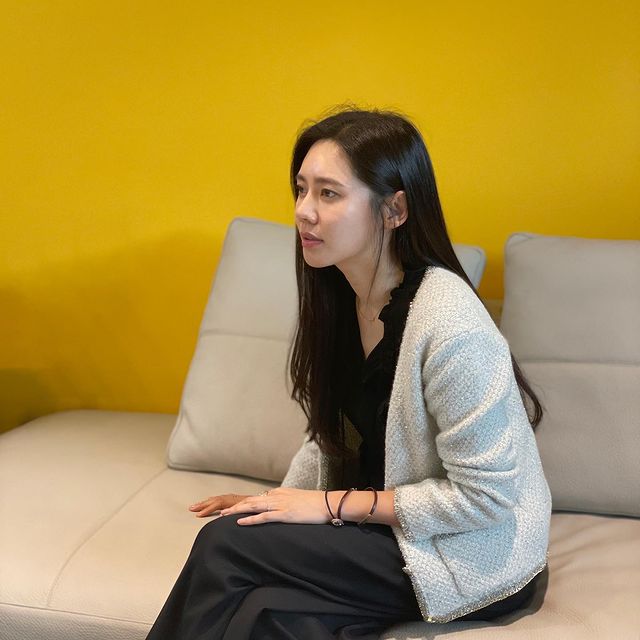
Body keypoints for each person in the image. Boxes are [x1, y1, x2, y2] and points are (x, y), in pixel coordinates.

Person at [145, 108, 552, 639]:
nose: (303, 211)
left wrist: (326, 505)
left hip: (471, 552)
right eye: (301, 190)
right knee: (267, 616)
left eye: (329, 194)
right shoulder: (341, 297)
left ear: (394, 210)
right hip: (385, 532)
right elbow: (332, 440)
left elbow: (486, 499)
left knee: (225, 545)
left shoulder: (452, 326)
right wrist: (274, 505)